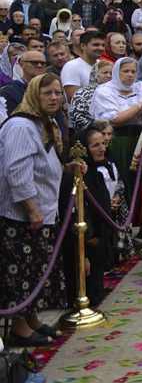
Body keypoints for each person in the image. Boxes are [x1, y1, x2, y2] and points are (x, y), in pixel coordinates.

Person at [0, 74, 84, 345]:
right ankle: (19, 328)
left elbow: (42, 162)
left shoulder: (43, 123)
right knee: (21, 272)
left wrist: (66, 167)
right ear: (33, 95)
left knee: (37, 270)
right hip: (20, 215)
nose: (54, 98)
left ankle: (32, 319)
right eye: (46, 93)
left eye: (58, 93)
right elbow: (17, 170)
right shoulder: (22, 125)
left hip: (43, 211)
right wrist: (32, 209)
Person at [59, 126, 119, 307]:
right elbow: (72, 217)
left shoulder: (96, 173)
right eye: (95, 145)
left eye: (103, 144)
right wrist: (83, 255)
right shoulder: (74, 179)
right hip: (82, 247)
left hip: (97, 246)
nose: (102, 148)